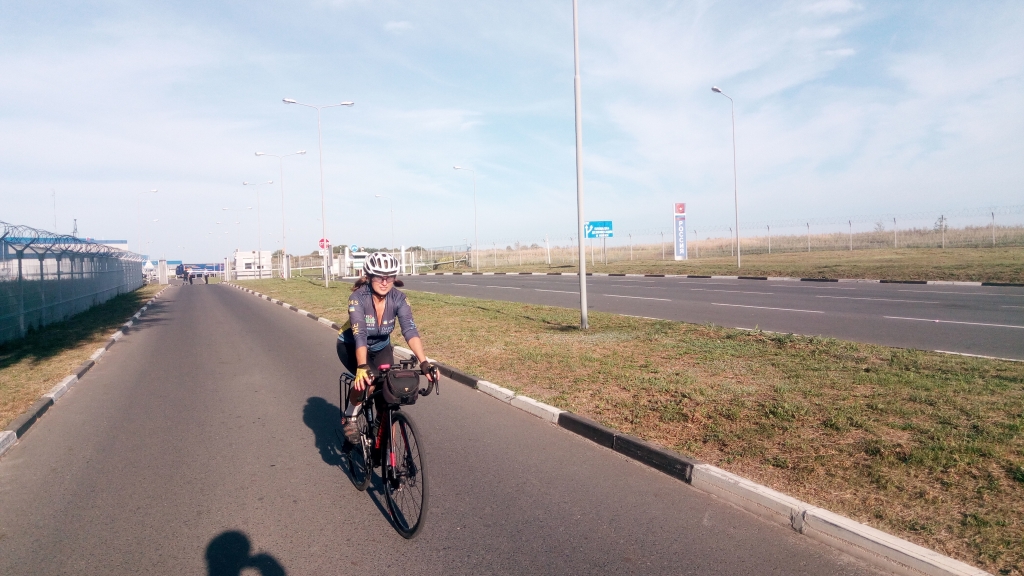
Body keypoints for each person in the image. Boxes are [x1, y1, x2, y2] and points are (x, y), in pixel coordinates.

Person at [338, 252, 436, 443]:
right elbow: (360, 333)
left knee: (390, 391)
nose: (384, 282)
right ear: (369, 276)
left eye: (389, 277)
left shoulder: (399, 298)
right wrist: (362, 366)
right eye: (379, 277)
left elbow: (410, 329)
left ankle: (383, 436)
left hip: (381, 347)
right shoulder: (357, 298)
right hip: (351, 344)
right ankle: (350, 416)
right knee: (369, 379)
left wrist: (424, 362)